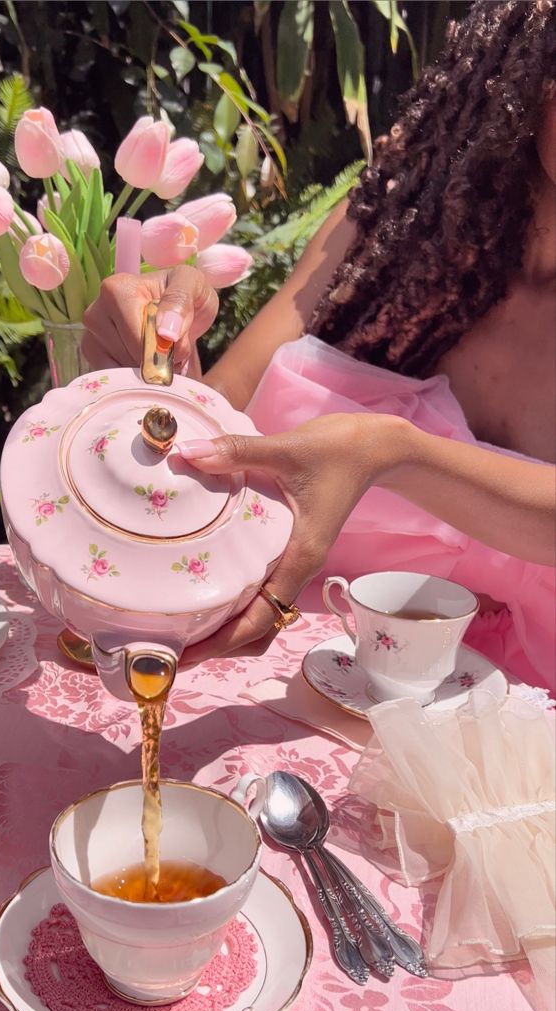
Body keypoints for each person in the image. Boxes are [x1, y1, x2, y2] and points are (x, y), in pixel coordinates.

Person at [84, 0, 556, 689]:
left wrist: (391, 454)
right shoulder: (391, 233)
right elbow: (207, 438)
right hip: (271, 695)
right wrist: (150, 373)